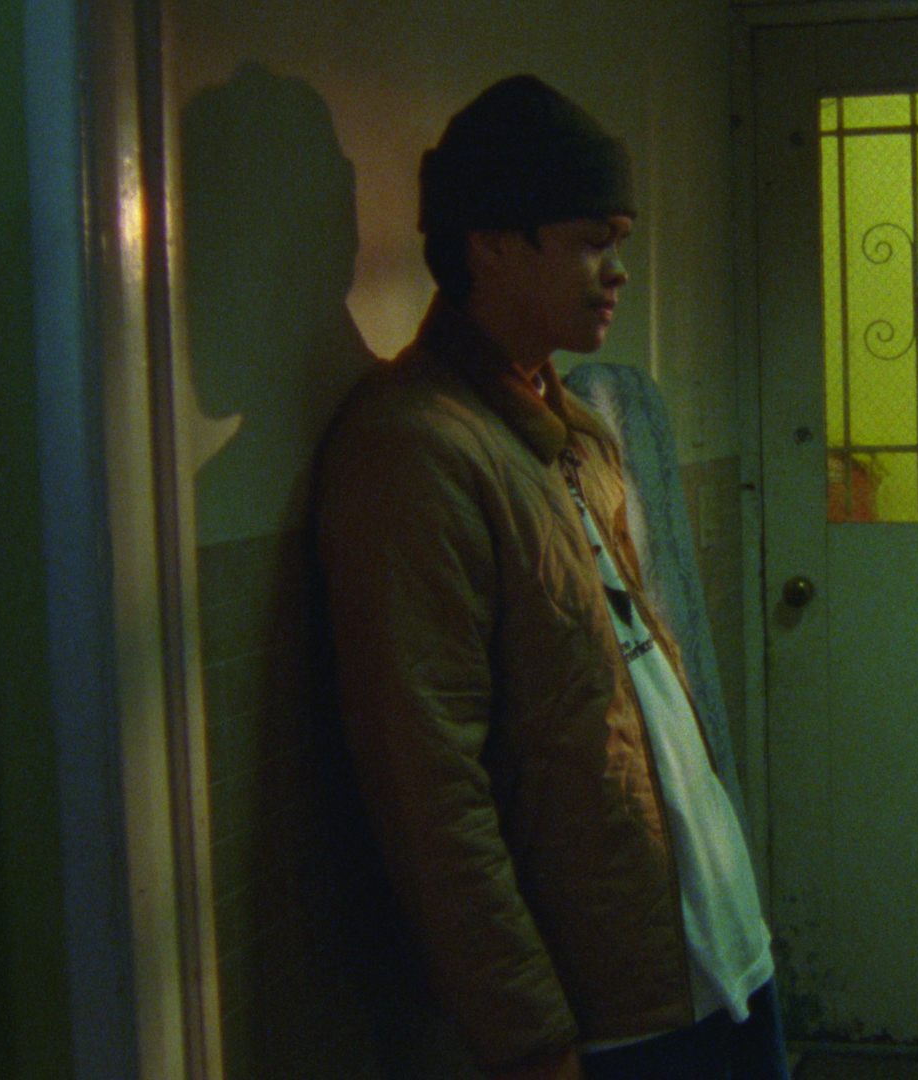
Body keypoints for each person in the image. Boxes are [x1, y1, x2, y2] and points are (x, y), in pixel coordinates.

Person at [315, 74, 786, 1080]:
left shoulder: (570, 427)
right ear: (490, 242)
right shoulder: (414, 450)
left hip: (716, 949)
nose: (618, 271)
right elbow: (430, 789)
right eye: (590, 241)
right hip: (610, 1004)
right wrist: (526, 1035)